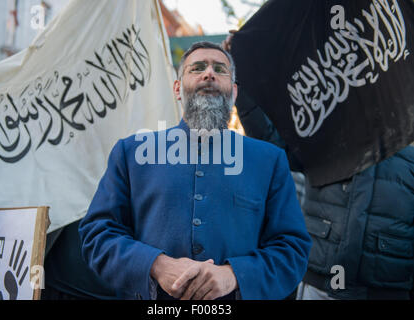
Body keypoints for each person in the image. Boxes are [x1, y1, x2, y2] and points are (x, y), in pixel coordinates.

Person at [78, 41, 312, 300]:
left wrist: (234, 275)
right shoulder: (131, 153)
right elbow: (97, 235)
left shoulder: (269, 160)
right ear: (177, 89)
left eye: (220, 69)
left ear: (234, 93)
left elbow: (293, 250)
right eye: (197, 68)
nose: (209, 73)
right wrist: (156, 265)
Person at [223, 31, 414, 301]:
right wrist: (241, 79)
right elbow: (269, 140)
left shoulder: (410, 160)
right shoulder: (322, 139)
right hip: (318, 287)